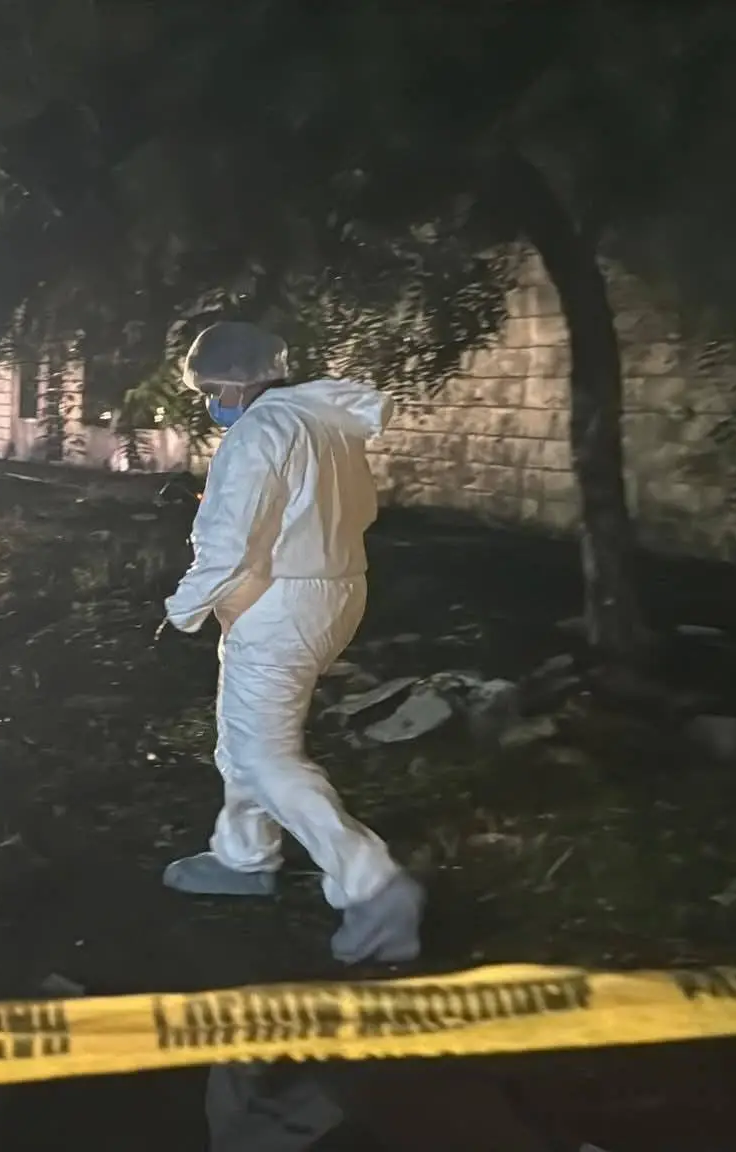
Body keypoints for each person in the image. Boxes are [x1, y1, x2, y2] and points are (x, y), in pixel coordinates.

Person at [159, 321, 425, 965]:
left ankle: (375, 889)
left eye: (210, 389)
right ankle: (244, 854)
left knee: (264, 753)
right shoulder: (323, 424)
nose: (209, 403)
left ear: (232, 382)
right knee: (242, 734)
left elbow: (228, 539)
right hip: (330, 590)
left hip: (282, 600)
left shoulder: (260, 432)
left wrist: (181, 608)